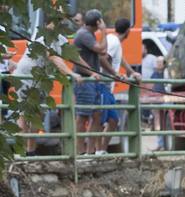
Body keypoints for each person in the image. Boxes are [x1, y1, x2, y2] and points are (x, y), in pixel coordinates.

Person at [9, 16, 80, 154]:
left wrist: (92, 70)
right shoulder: (44, 38)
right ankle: (21, 152)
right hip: (26, 76)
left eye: (61, 22)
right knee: (23, 114)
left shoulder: (61, 39)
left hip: (41, 80)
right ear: (47, 24)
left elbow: (75, 56)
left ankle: (31, 150)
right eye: (57, 21)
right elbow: (54, 58)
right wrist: (72, 73)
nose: (60, 24)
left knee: (38, 114)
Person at [71, 9, 112, 155]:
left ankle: (90, 152)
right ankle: (79, 152)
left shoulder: (89, 34)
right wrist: (104, 31)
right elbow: (101, 50)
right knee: (82, 116)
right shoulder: (84, 35)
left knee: (96, 115)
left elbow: (101, 53)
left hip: (92, 80)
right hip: (84, 79)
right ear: (98, 22)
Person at [97, 18, 135, 153]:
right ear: (128, 31)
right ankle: (96, 151)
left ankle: (102, 150)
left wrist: (132, 72)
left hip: (108, 87)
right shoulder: (113, 41)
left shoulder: (114, 41)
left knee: (113, 120)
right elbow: (103, 58)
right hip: (103, 84)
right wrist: (115, 74)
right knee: (100, 121)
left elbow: (120, 58)